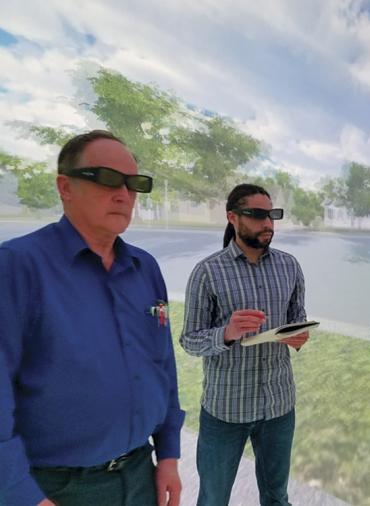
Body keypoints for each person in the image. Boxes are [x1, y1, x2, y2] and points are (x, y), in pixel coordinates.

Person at [0, 130, 185, 506]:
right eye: (106, 179)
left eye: (134, 184)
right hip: (57, 488)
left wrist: (168, 453)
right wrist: (19, 493)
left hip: (139, 477)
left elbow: (161, 364)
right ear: (65, 187)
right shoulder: (17, 267)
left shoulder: (144, 268)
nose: (124, 194)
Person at [180, 183, 309, 506]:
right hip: (226, 410)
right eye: (257, 215)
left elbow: (299, 318)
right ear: (232, 217)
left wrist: (298, 336)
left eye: (272, 215)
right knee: (213, 498)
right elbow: (190, 341)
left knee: (277, 497)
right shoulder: (207, 272)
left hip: (279, 406)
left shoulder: (290, 266)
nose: (267, 224)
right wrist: (226, 333)